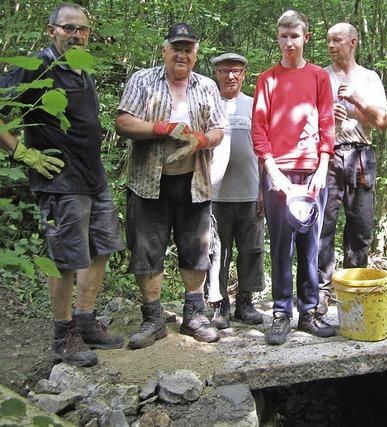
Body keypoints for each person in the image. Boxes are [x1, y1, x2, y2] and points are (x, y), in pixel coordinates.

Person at [0, 2, 124, 366]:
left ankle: (84, 321)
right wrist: (23, 152)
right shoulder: (37, 66)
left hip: (93, 176)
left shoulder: (80, 68)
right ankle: (62, 334)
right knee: (65, 259)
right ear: (51, 29)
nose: (76, 35)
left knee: (102, 246)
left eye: (82, 29)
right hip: (60, 181)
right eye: (69, 28)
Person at [115, 23, 227, 349]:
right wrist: (162, 128)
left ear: (196, 54)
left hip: (195, 182)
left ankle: (194, 315)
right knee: (147, 248)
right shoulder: (142, 80)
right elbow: (123, 122)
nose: (182, 54)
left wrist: (202, 139)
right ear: (165, 50)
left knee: (196, 248)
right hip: (149, 182)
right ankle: (153, 320)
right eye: (176, 48)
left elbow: (219, 129)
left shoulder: (207, 86)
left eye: (188, 49)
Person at [252, 10, 336, 345]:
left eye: (295, 36)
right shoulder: (267, 79)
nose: (289, 43)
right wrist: (274, 173)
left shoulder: (318, 77)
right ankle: (281, 312)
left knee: (311, 244)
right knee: (281, 246)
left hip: (313, 172)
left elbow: (328, 123)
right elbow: (259, 131)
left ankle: (310, 312)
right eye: (284, 36)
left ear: (306, 37)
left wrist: (323, 167)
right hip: (279, 174)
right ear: (278, 38)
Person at [316, 23, 387, 314]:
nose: (331, 46)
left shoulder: (369, 78)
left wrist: (355, 99)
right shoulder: (320, 76)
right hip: (328, 155)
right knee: (324, 225)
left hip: (361, 155)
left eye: (337, 41)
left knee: (360, 227)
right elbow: (307, 121)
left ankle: (353, 287)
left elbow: (383, 122)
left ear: (353, 43)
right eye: (328, 41)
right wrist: (327, 118)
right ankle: (321, 291)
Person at [207, 52, 265, 329]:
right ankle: (219, 305)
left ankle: (245, 302)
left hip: (251, 192)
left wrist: (265, 189)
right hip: (215, 195)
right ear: (216, 73)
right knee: (217, 251)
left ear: (244, 75)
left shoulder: (255, 106)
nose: (230, 75)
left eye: (236, 71)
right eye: (225, 70)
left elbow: (266, 151)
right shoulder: (207, 104)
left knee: (251, 249)